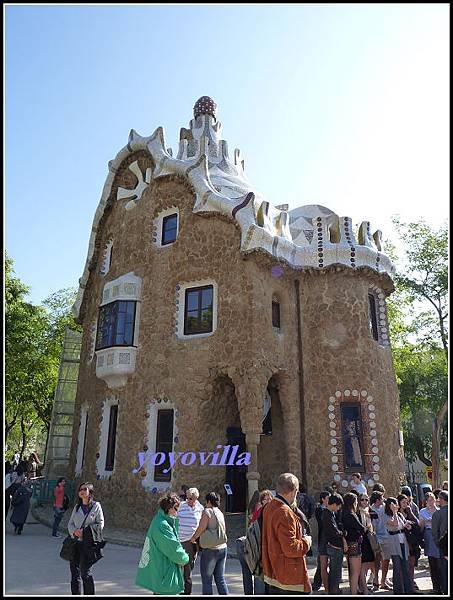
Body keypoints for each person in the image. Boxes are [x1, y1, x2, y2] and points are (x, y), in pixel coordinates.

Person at [261, 473, 312, 594]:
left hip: (273, 572)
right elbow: (291, 549)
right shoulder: (285, 512)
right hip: (289, 578)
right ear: (294, 491)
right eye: (297, 492)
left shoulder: (269, 507)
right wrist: (307, 542)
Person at [67, 482, 105, 595]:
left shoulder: (96, 506)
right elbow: (70, 524)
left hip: (88, 545)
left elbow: (100, 524)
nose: (82, 491)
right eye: (80, 489)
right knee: (74, 574)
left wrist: (85, 532)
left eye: (85, 489)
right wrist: (74, 531)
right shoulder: (77, 507)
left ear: (90, 492)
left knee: (85, 573)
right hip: (75, 544)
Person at [190, 491, 229, 595]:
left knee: (207, 581)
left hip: (211, 550)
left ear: (208, 501)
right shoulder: (220, 512)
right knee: (220, 579)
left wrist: (193, 538)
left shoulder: (207, 512)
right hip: (223, 548)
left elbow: (201, 528)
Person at [236, 490, 272, 595]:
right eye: (267, 499)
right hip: (255, 547)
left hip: (254, 546)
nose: (269, 501)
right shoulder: (261, 511)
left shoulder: (265, 511)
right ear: (261, 501)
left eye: (270, 499)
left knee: (254, 575)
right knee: (258, 574)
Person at [384, 496, 414, 595]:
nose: (396, 506)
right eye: (394, 504)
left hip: (403, 542)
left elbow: (402, 525)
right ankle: (398, 591)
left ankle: (408, 590)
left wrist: (407, 525)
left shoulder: (400, 514)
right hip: (394, 543)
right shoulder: (387, 516)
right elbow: (395, 524)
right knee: (397, 568)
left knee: (405, 567)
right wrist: (394, 512)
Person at [177, 487, 204, 594]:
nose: (189, 500)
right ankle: (178, 588)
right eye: (187, 498)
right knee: (178, 566)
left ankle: (187, 592)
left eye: (191, 498)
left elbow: (202, 524)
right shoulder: (180, 506)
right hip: (180, 541)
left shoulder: (200, 508)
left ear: (196, 498)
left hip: (192, 542)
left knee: (188, 568)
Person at [322, 493, 347, 595]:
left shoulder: (330, 514)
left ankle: (334, 590)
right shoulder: (327, 514)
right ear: (334, 504)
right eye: (339, 505)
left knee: (335, 571)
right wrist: (343, 533)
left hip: (334, 546)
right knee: (335, 572)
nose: (339, 508)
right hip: (334, 546)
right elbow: (334, 531)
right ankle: (334, 591)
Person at [342, 492, 366, 595]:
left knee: (352, 571)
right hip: (354, 544)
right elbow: (361, 528)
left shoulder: (343, 514)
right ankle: (353, 593)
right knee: (355, 572)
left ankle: (354, 591)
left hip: (348, 543)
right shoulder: (351, 515)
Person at [398, 493, 422, 591]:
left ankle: (411, 585)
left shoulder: (409, 512)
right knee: (402, 566)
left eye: (406, 502)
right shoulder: (396, 514)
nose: (405, 504)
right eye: (403, 502)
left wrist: (410, 512)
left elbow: (418, 524)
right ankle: (404, 585)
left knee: (411, 565)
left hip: (411, 542)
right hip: (401, 542)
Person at [419, 492, 442, 593]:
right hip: (428, 535)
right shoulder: (422, 511)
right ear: (426, 502)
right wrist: (424, 522)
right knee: (432, 562)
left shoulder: (439, 511)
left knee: (440, 562)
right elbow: (421, 526)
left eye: (432, 499)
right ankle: (435, 587)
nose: (431, 502)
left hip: (438, 535)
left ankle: (442, 585)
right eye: (428, 500)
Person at [369, 490, 392, 590]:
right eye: (382, 498)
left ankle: (383, 581)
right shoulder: (371, 510)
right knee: (376, 561)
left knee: (386, 560)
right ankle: (376, 581)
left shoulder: (384, 508)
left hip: (386, 537)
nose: (383, 499)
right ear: (377, 500)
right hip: (376, 538)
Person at [357, 493, 376, 594]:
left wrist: (369, 514)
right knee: (363, 565)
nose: (364, 502)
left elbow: (376, 515)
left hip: (369, 539)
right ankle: (363, 587)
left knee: (371, 562)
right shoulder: (357, 512)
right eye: (362, 500)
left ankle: (368, 584)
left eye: (366, 500)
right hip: (362, 540)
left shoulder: (369, 511)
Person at [312, 491, 330, 592]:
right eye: (327, 498)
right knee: (321, 563)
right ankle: (317, 582)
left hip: (330, 538)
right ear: (323, 499)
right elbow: (321, 521)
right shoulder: (319, 510)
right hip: (322, 538)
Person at [431, 490, 448, 594]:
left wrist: (438, 544)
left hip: (443, 546)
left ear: (442, 499)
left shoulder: (437, 514)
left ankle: (446, 590)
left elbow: (434, 532)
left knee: (444, 570)